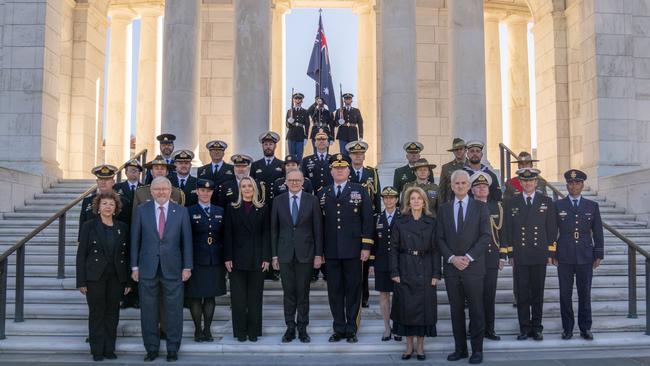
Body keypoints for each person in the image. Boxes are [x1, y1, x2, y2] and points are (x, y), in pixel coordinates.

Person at [130, 176, 193, 362]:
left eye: (164, 189)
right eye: (157, 189)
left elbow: (186, 242)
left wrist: (187, 266)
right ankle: (151, 348)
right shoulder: (142, 210)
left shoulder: (181, 212)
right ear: (151, 192)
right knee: (148, 311)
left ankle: (173, 348)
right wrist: (134, 266)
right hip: (147, 268)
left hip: (173, 268)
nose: (161, 192)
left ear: (170, 191)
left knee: (174, 310)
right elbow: (135, 239)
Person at [319, 154, 374, 343]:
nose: (340, 170)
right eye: (336, 168)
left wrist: (366, 246)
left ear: (349, 171)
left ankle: (351, 328)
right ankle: (338, 328)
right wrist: (321, 251)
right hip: (332, 251)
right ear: (331, 171)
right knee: (334, 291)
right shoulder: (323, 193)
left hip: (354, 250)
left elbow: (368, 219)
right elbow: (320, 225)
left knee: (353, 290)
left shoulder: (360, 190)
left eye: (343, 168)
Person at [437, 170, 491, 364]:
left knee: (476, 310)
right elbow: (440, 238)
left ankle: (477, 351)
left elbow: (486, 236)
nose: (460, 186)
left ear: (469, 186)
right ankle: (460, 349)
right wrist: (452, 258)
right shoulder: (443, 209)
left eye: (463, 183)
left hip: (474, 268)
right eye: (456, 183)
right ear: (452, 187)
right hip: (452, 269)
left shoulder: (480, 207)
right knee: (456, 311)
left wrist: (468, 257)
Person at [76, 191, 132, 361]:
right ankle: (97, 350)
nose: (108, 207)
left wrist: (128, 280)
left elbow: (127, 255)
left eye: (111, 204)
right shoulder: (89, 226)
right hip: (94, 277)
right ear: (98, 207)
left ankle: (109, 349)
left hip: (116, 277)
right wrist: (81, 281)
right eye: (105, 204)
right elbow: (81, 255)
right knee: (97, 313)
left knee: (112, 313)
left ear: (116, 208)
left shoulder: (122, 227)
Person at [503, 168, 557, 341]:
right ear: (520, 182)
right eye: (524, 181)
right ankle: (524, 328)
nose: (527, 183)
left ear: (536, 182)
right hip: (520, 254)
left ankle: (537, 327)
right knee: (522, 293)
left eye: (531, 180)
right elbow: (507, 229)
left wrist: (550, 252)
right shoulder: (512, 202)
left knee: (537, 294)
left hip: (539, 254)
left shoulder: (546, 201)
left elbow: (551, 228)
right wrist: (509, 253)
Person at [271, 170, 323, 343]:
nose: (294, 183)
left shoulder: (312, 200)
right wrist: (274, 256)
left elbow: (318, 230)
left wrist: (318, 255)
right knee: (288, 293)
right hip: (285, 254)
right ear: (286, 182)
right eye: (291, 180)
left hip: (305, 254)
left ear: (303, 182)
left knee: (303, 293)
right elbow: (274, 230)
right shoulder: (278, 201)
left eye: (297, 180)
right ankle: (290, 328)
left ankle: (302, 328)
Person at [390, 186, 440, 360]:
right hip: (405, 268)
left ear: (424, 201)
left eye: (419, 198)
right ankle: (408, 347)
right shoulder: (400, 221)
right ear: (408, 202)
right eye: (413, 199)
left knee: (423, 310)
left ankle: (420, 347)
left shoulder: (432, 222)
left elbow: (435, 250)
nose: (416, 201)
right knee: (406, 309)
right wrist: (394, 271)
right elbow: (394, 249)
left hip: (425, 268)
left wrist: (436, 274)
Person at [555, 169, 604, 340]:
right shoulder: (558, 205)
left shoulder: (592, 206)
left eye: (577, 183)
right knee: (565, 294)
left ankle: (585, 327)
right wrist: (552, 252)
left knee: (585, 293)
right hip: (565, 255)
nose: (573, 186)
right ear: (566, 185)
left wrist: (598, 253)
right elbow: (553, 231)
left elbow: (597, 231)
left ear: (582, 185)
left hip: (585, 255)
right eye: (570, 183)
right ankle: (567, 328)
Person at [223, 176, 271, 342]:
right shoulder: (232, 208)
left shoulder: (263, 208)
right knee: (238, 299)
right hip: (236, 259)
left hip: (257, 259)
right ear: (240, 189)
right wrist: (227, 257)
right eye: (244, 186)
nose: (247, 189)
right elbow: (227, 234)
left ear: (255, 189)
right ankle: (240, 332)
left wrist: (266, 257)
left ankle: (254, 332)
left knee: (255, 298)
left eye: (250, 186)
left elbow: (266, 234)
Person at [185, 179, 227, 343]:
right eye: (202, 190)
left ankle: (207, 330)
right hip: (196, 259)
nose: (205, 193)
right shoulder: (188, 211)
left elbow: (224, 236)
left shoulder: (220, 211)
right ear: (197, 192)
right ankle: (197, 330)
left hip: (215, 260)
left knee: (210, 297)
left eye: (208, 191)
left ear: (212, 193)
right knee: (195, 297)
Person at [470, 172, 506, 341]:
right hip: (473, 258)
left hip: (491, 257)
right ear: (472, 190)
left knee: (489, 296)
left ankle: (489, 329)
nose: (482, 188)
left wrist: (502, 256)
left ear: (489, 189)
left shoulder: (496, 207)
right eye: (478, 186)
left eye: (484, 186)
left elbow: (503, 232)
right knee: (473, 296)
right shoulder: (468, 207)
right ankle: (474, 329)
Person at [346, 140, 380, 308]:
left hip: (367, 222)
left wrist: (377, 219)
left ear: (364, 156)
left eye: (360, 154)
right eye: (355, 154)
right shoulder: (345, 172)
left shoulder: (371, 173)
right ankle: (351, 296)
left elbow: (377, 197)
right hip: (349, 223)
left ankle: (364, 296)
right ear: (350, 156)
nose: (358, 156)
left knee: (365, 264)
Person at [371, 186, 402, 342]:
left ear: (397, 200)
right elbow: (373, 241)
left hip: (400, 264)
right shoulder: (376, 218)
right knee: (384, 295)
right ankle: (387, 328)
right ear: (383, 200)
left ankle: (398, 326)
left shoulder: (403, 217)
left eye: (392, 197)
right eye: (386, 198)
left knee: (399, 296)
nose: (389, 200)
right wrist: (371, 262)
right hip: (382, 262)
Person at [79, 165, 132, 241]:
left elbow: (127, 226)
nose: (103, 182)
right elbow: (82, 225)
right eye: (100, 179)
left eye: (107, 179)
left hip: (115, 243)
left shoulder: (123, 202)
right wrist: (80, 242)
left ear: (113, 182)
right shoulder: (88, 201)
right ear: (97, 182)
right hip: (92, 245)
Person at [197, 140, 235, 205]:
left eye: (219, 150)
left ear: (223, 153)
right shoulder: (202, 170)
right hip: (208, 204)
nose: (216, 152)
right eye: (213, 150)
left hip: (226, 204)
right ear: (210, 153)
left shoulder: (232, 169)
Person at [250, 131, 285, 204]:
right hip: (260, 202)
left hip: (277, 202)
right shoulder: (255, 165)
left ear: (275, 146)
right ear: (262, 146)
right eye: (265, 144)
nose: (268, 147)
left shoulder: (282, 164)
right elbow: (252, 185)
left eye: (271, 144)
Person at [301, 129, 333, 195]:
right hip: (312, 195)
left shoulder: (333, 160)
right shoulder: (306, 160)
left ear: (328, 143)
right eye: (318, 139)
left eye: (324, 139)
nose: (321, 141)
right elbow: (303, 179)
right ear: (315, 143)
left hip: (330, 194)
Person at [438, 138, 467, 204]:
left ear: (465, 150)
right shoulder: (446, 167)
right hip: (451, 204)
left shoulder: (472, 166)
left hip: (469, 205)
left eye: (461, 149)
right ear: (453, 152)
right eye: (456, 149)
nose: (458, 151)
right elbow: (442, 190)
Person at [285, 92, 310, 161]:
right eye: (296, 99)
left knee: (299, 156)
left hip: (300, 135)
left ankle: (299, 171)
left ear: (302, 101)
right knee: (291, 157)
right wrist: (289, 122)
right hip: (291, 135)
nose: (298, 101)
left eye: (299, 99)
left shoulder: (305, 111)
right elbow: (287, 125)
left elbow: (307, 125)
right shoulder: (290, 111)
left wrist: (306, 137)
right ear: (293, 100)